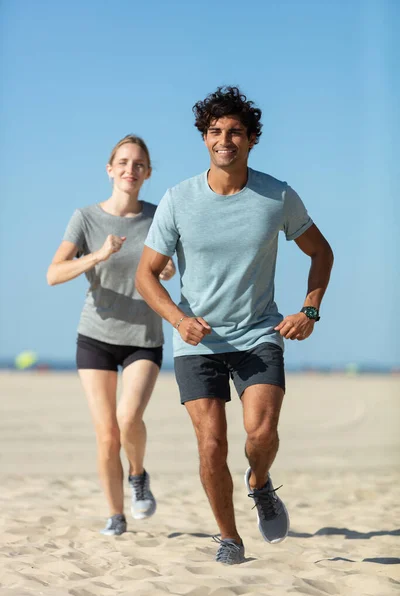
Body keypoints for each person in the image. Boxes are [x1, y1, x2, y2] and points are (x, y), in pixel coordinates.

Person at [135, 87, 334, 564]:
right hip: (197, 341)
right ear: (204, 138)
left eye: (235, 132)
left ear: (251, 139)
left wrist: (309, 310)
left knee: (260, 436)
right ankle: (230, 537)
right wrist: (180, 321)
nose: (225, 140)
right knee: (211, 443)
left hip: (259, 332)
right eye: (215, 132)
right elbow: (146, 274)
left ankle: (260, 483)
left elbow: (321, 252)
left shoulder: (276, 195)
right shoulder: (178, 199)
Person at [47, 134, 175, 536]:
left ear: (148, 173)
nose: (130, 170)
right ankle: (116, 515)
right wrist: (98, 255)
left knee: (128, 417)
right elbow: (54, 273)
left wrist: (167, 270)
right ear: (110, 169)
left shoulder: (159, 217)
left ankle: (138, 473)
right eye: (122, 162)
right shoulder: (85, 218)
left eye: (138, 164)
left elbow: (170, 265)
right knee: (106, 435)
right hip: (96, 335)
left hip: (143, 335)